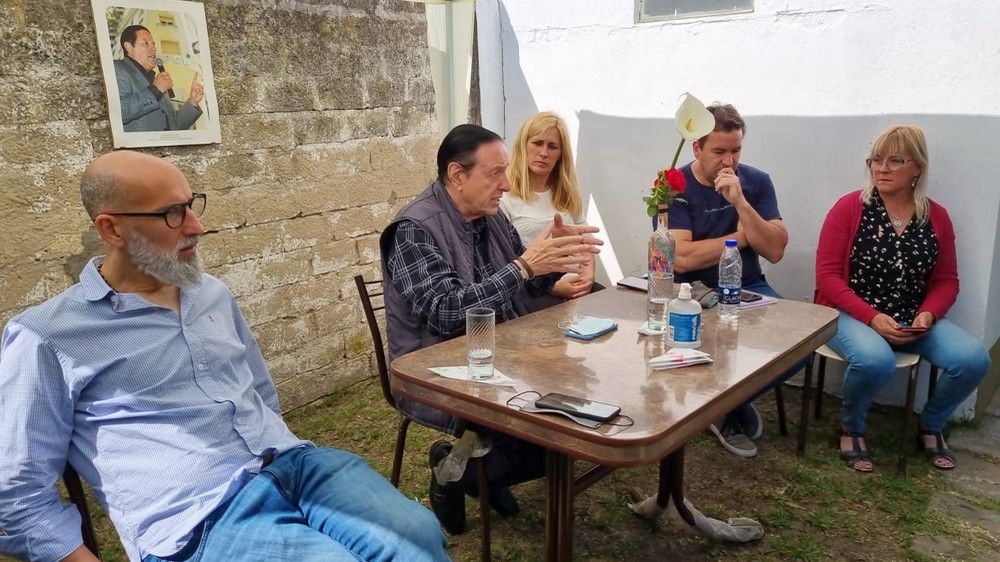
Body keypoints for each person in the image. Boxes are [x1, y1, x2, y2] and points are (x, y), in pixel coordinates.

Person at [0, 151, 449, 562]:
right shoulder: (47, 337)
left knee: (417, 536)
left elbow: (260, 393)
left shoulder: (210, 293)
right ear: (111, 229)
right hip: (200, 521)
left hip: (295, 465)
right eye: (172, 213)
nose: (196, 226)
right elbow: (18, 498)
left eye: (191, 204)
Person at [380, 124, 602, 534]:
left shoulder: (490, 215)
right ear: (457, 175)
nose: (507, 184)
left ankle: (483, 467)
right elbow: (446, 312)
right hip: (435, 368)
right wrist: (527, 266)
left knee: (573, 416)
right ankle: (455, 475)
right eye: (496, 173)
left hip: (500, 351)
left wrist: (555, 264)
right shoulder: (415, 230)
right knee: (554, 443)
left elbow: (523, 278)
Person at [815, 125, 989, 473]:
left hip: (912, 318)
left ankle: (931, 423)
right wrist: (872, 317)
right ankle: (851, 427)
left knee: (973, 360)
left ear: (917, 169)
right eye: (875, 160)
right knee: (874, 360)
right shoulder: (850, 208)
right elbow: (827, 277)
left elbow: (947, 281)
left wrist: (928, 314)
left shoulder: (936, 217)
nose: (882, 168)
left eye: (895, 160)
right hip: (850, 313)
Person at [663, 103, 791, 458]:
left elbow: (775, 249)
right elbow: (682, 257)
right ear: (697, 148)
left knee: (797, 345)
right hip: (692, 292)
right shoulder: (674, 185)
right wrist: (743, 237)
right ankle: (728, 409)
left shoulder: (756, 182)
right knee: (716, 337)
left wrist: (742, 206)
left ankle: (723, 404)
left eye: (736, 151)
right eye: (719, 151)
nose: (729, 161)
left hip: (749, 286)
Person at [502, 111, 596, 302]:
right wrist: (554, 288)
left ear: (561, 155)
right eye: (537, 143)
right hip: (528, 291)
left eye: (552, 146)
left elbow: (585, 243)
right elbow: (504, 261)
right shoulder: (504, 194)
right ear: (523, 145)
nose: (544, 153)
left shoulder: (567, 193)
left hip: (572, 282)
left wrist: (588, 277)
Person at [114, 25, 204, 132]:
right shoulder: (117, 68)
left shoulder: (156, 80)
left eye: (153, 44)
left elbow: (173, 126)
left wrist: (193, 101)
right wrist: (155, 89)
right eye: (146, 43)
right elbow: (119, 111)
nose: (153, 48)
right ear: (129, 47)